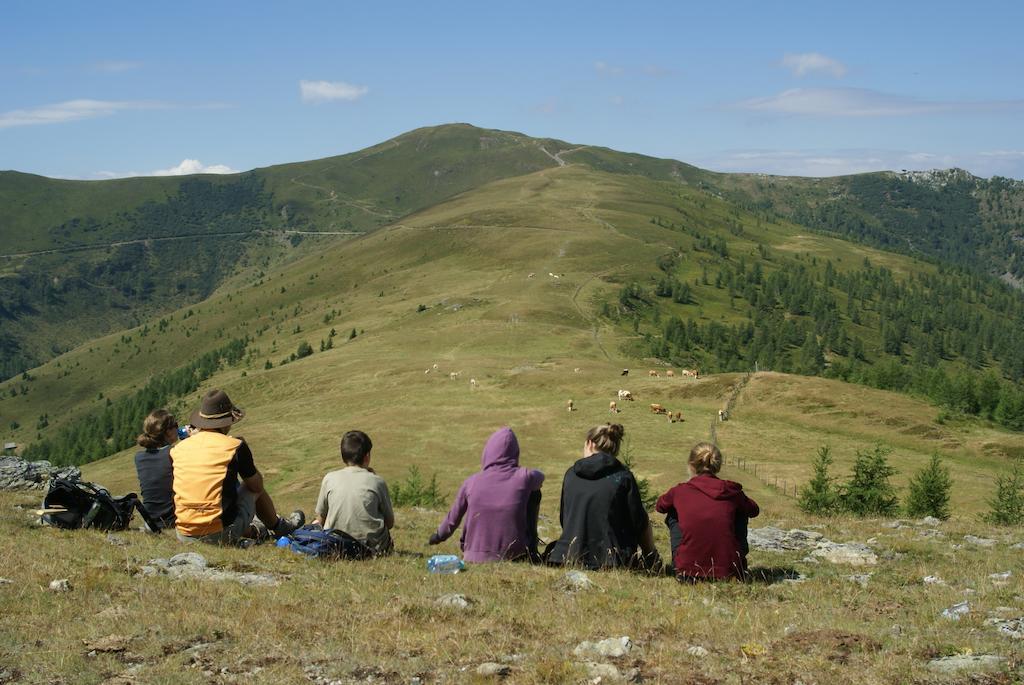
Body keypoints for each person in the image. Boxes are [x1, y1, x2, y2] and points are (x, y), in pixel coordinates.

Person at [170, 389, 305, 545]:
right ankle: (279, 527)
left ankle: (259, 530)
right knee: (251, 486)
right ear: (227, 421)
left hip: (183, 533)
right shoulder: (234, 446)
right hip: (217, 533)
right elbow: (256, 486)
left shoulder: (179, 448)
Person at [546, 423, 660, 570]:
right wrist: (649, 553)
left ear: (589, 443)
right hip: (612, 559)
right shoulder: (623, 477)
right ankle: (652, 559)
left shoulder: (571, 474)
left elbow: (565, 518)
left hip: (567, 555)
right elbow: (638, 521)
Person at [428, 427, 544, 562]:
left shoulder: (471, 482)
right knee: (534, 492)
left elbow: (452, 519)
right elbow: (540, 477)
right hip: (514, 556)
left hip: (473, 555)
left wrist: (438, 536)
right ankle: (531, 550)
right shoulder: (525, 477)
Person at [655, 442, 759, 581]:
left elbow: (660, 506)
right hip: (729, 571)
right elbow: (753, 510)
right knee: (740, 511)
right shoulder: (732, 492)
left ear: (691, 465)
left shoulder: (680, 491)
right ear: (718, 466)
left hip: (688, 571)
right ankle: (733, 561)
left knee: (673, 512)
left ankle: (683, 564)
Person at [312, 430, 395, 555]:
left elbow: (321, 518)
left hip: (335, 544)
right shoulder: (377, 482)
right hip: (371, 549)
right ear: (367, 456)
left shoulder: (329, 478)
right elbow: (389, 523)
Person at [134, 409, 179, 530]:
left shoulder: (139, 457)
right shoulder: (174, 453)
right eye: (176, 425)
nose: (178, 428)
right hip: (174, 521)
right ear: (168, 431)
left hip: (150, 522)